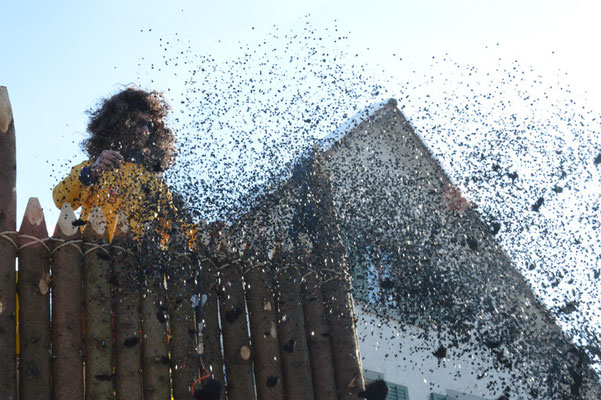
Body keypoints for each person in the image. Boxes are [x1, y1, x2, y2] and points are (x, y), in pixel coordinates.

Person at [53, 87, 193, 244]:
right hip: (96, 257)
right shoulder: (93, 167)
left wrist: (208, 234)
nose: (146, 131)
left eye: (150, 125)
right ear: (118, 124)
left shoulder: (154, 181)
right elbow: (61, 200)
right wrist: (91, 173)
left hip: (136, 262)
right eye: (140, 123)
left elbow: (175, 229)